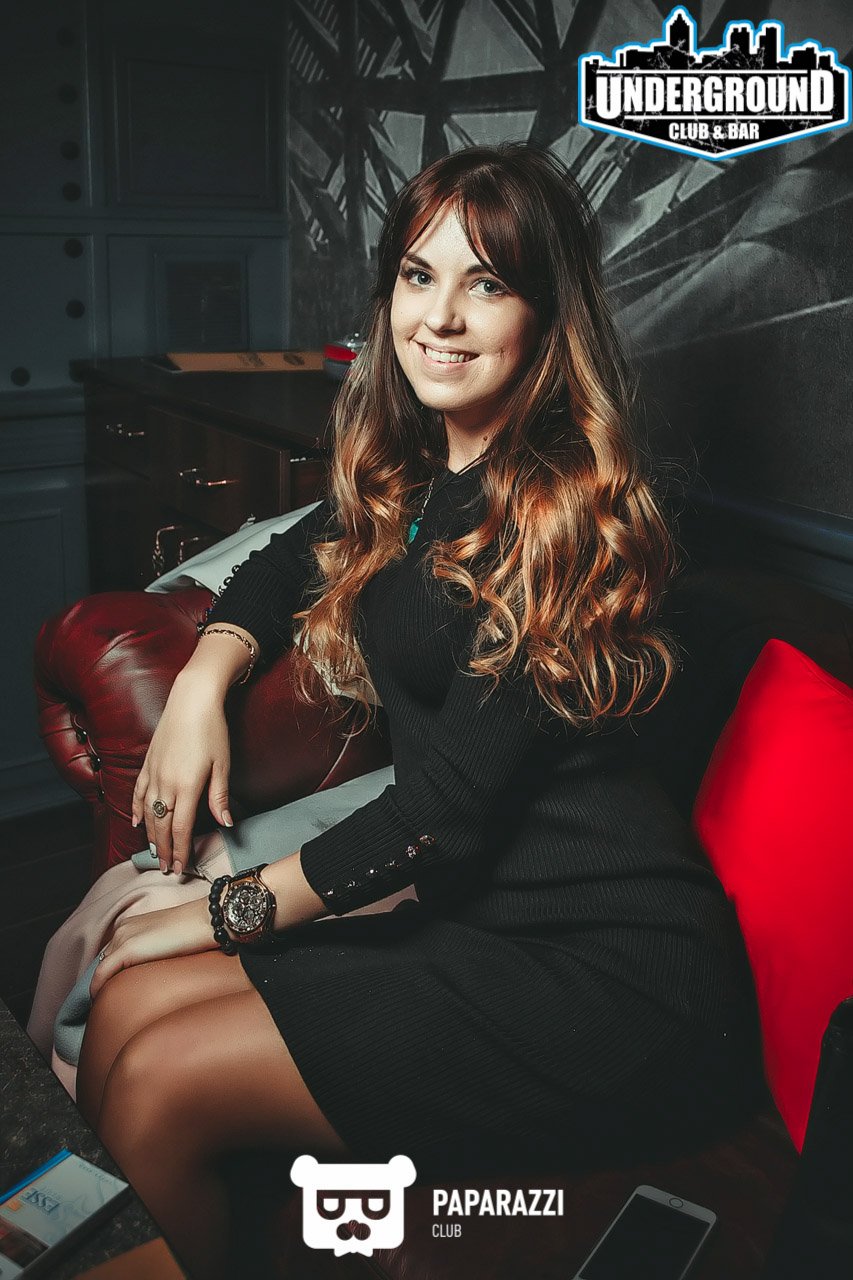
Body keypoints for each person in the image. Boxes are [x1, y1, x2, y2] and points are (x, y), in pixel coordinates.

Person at [53, 143, 760, 1278]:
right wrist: (199, 681)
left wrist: (225, 910)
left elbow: (439, 816)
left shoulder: (559, 519)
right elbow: (284, 561)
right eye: (418, 276)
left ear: (546, 316)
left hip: (612, 981)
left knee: (157, 1078)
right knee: (127, 1008)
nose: (440, 317)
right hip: (487, 922)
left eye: (488, 283)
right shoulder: (428, 476)